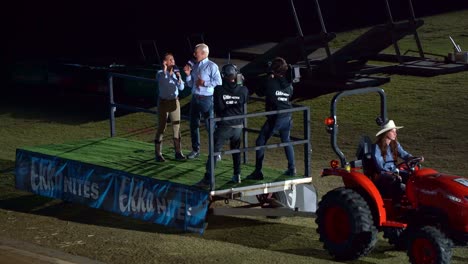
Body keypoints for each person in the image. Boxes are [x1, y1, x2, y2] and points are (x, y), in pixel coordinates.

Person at [195, 64, 249, 188]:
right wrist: (239, 83)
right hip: (238, 126)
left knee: (214, 152)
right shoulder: (243, 90)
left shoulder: (219, 90)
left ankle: (208, 178)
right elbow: (244, 97)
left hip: (224, 126)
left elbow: (218, 106)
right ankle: (237, 175)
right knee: (236, 151)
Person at [247, 57, 296, 180]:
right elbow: (288, 93)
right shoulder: (289, 84)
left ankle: (258, 171)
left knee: (260, 142)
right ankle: (292, 168)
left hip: (276, 118)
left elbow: (259, 92)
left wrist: (268, 79)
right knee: (286, 140)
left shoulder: (271, 82)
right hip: (287, 116)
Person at [183, 43, 222, 159]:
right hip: (195, 98)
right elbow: (191, 84)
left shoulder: (212, 66)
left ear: (204, 53)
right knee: (193, 125)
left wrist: (204, 83)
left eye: (196, 52)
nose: (194, 54)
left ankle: (216, 152)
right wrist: (188, 75)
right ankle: (195, 150)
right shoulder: (195, 66)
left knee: (210, 126)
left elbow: (218, 82)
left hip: (207, 99)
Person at [373, 120, 424, 204]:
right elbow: (380, 166)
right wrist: (392, 174)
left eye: (395, 131)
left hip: (394, 171)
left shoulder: (395, 144)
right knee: (396, 180)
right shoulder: (377, 147)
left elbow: (404, 154)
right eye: (392, 131)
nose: (395, 134)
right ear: (386, 133)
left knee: (412, 177)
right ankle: (397, 204)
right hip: (383, 175)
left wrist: (414, 158)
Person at [154, 52, 186, 162]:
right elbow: (161, 80)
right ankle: (158, 153)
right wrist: (164, 70)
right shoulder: (160, 73)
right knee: (162, 127)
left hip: (174, 102)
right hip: (163, 102)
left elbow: (181, 88)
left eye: (173, 59)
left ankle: (178, 152)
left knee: (176, 127)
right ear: (165, 62)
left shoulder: (176, 74)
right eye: (170, 60)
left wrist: (179, 78)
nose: (173, 61)